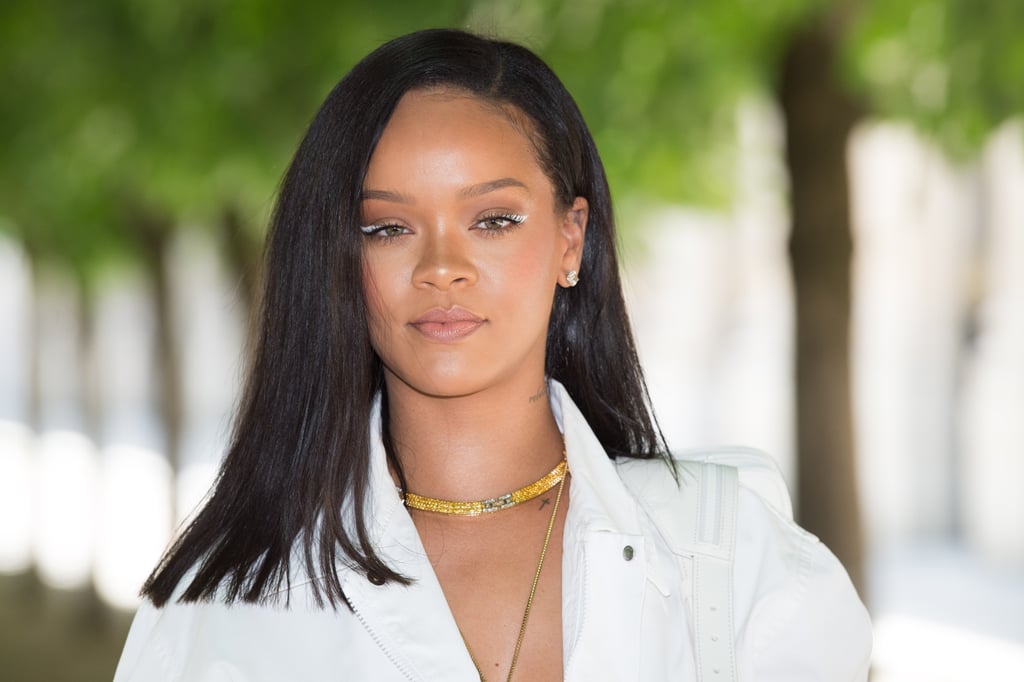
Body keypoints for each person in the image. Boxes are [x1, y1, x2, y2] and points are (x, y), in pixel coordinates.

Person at [113, 28, 871, 682]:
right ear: (338, 259)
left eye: (493, 219)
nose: (442, 266)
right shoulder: (215, 612)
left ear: (571, 240)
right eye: (388, 228)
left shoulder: (735, 563)